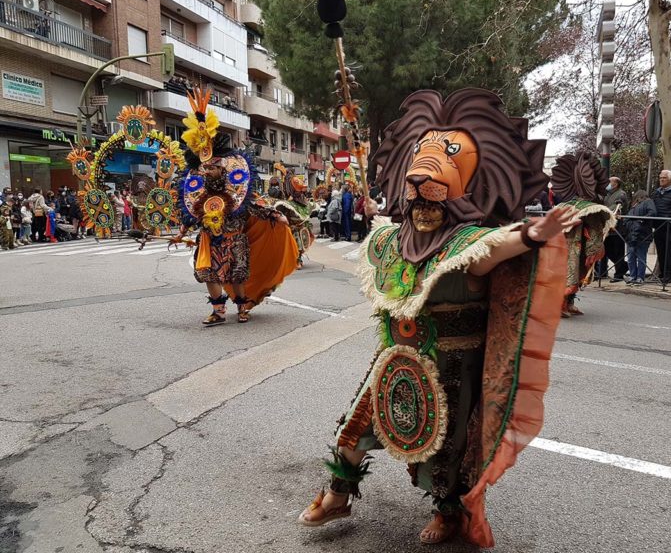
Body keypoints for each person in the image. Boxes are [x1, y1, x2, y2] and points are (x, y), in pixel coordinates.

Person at [297, 88, 579, 547]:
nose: (421, 195)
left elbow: (497, 247)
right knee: (353, 425)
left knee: (446, 452)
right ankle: (338, 493)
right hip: (394, 354)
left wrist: (531, 233)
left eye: (435, 184)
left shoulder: (468, 242)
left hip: (453, 366)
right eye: (416, 184)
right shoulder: (392, 239)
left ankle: (448, 513)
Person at [171, 88, 299, 325]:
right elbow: (191, 215)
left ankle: (242, 308)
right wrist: (180, 233)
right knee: (207, 273)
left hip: (235, 239)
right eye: (205, 167)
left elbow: (252, 206)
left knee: (236, 274)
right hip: (209, 240)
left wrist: (274, 216)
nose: (207, 170)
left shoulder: (236, 188)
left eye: (212, 167)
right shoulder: (198, 192)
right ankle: (218, 312)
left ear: (223, 167)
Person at [549, 152, 615, 317]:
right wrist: (595, 247)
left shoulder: (566, 205)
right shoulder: (589, 208)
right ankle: (560, 305)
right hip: (571, 248)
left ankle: (568, 302)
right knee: (570, 275)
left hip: (570, 247)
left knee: (571, 275)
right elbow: (595, 229)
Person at [624, 190, 656, 284]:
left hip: (642, 233)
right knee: (631, 257)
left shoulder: (647, 202)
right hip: (633, 233)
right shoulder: (635, 205)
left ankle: (639, 277)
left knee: (640, 257)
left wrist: (641, 220)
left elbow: (652, 213)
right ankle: (633, 276)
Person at [602, 176, 630, 282]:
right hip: (608, 227)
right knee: (607, 250)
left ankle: (619, 274)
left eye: (610, 182)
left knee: (618, 251)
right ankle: (623, 266)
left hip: (617, 227)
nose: (608, 183)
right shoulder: (607, 194)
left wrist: (603, 211)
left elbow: (615, 208)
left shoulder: (621, 194)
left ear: (616, 184)